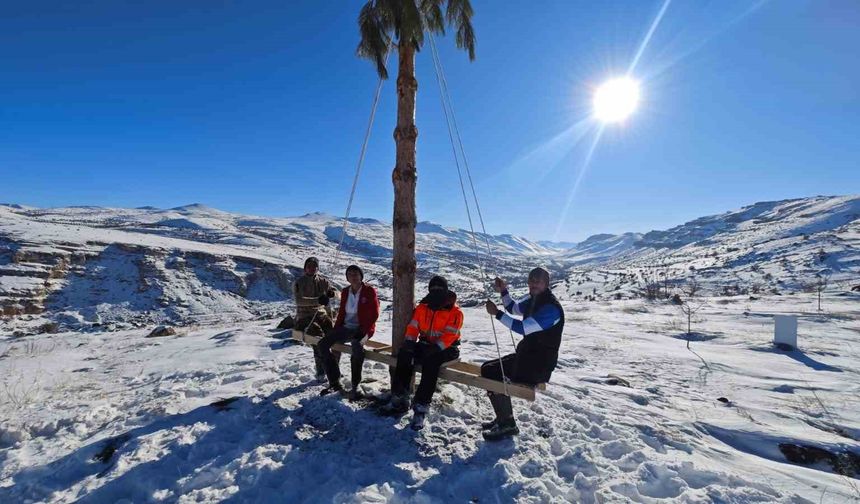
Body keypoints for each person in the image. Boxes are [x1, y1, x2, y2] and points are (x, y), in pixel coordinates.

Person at [481, 267, 564, 441]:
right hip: (528, 358)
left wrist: (496, 314)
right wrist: (503, 290)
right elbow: (513, 308)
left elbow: (522, 328)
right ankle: (504, 418)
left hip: (538, 365)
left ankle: (507, 424)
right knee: (486, 368)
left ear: (546, 284)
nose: (533, 283)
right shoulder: (535, 300)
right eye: (531, 280)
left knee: (491, 372)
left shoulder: (551, 308)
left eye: (538, 280)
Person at [381, 275, 463, 431]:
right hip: (427, 343)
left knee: (431, 362)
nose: (436, 292)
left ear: (446, 290)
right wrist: (410, 342)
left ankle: (421, 407)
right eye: (433, 289)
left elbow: (451, 335)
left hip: (448, 348)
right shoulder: (422, 307)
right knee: (405, 355)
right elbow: (413, 327)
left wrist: (437, 347)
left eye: (440, 289)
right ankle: (400, 396)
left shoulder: (454, 311)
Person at [317, 265, 380, 400]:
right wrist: (335, 330)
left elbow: (374, 314)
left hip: (363, 328)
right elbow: (342, 313)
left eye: (356, 273)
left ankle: (355, 383)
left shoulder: (369, 291)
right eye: (350, 274)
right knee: (323, 344)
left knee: (357, 347)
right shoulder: (345, 291)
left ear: (361, 276)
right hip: (346, 327)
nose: (353, 276)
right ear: (347, 277)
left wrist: (363, 331)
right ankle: (334, 381)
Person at [293, 256, 336, 381]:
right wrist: (317, 301)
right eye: (309, 266)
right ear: (305, 268)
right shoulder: (299, 283)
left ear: (317, 268)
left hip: (322, 316)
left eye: (314, 266)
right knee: (318, 341)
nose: (312, 268)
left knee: (334, 338)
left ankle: (333, 370)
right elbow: (299, 301)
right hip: (305, 317)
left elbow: (335, 293)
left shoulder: (324, 281)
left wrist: (332, 294)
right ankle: (321, 371)